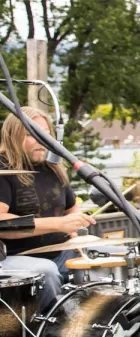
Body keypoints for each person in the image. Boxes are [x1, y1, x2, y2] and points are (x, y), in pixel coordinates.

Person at [0, 107, 94, 311]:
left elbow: (71, 210)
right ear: (12, 136)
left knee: (109, 255)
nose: (41, 140)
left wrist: (75, 228)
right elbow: (1, 221)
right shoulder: (3, 169)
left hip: (59, 252)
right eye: (31, 134)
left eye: (45, 134)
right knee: (46, 271)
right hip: (12, 259)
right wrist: (58, 224)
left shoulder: (54, 169)